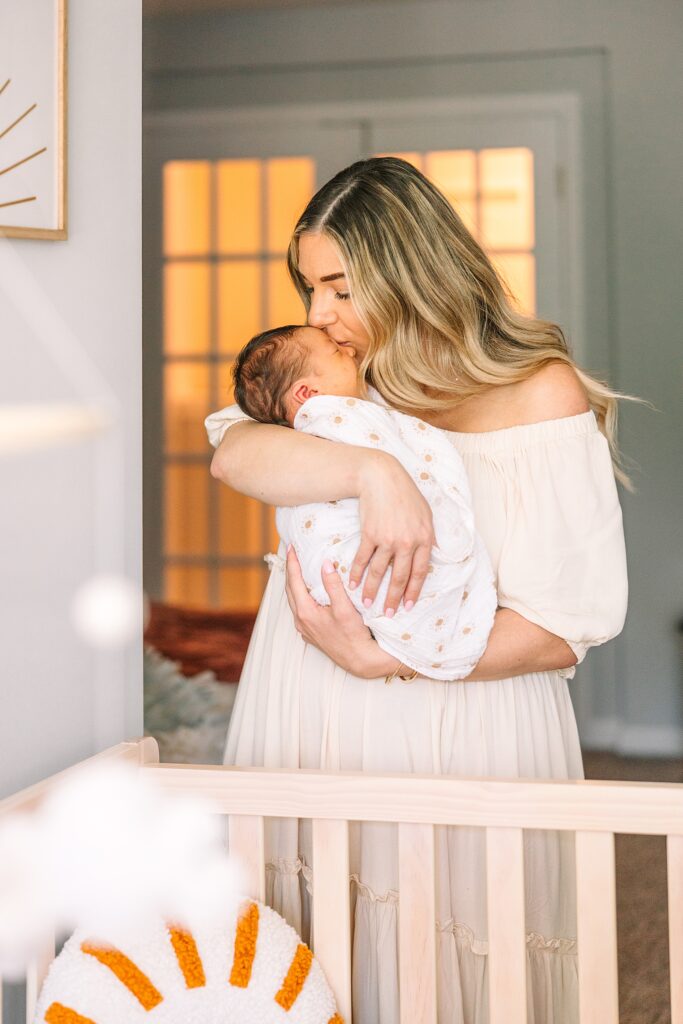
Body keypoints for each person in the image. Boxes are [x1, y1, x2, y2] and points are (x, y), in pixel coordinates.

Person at [205, 157, 630, 1023]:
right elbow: (234, 453)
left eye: (337, 287)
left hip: (459, 710)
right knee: (305, 950)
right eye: (308, 288)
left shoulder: (537, 393)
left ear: (411, 271)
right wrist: (371, 472)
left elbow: (565, 625)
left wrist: (385, 661)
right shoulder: (343, 383)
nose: (317, 314)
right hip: (308, 697)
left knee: (451, 953)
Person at [230, 322, 497, 681]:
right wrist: (377, 470)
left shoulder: (352, 406)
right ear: (307, 392)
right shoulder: (334, 420)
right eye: (337, 353)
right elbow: (228, 458)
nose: (350, 352)